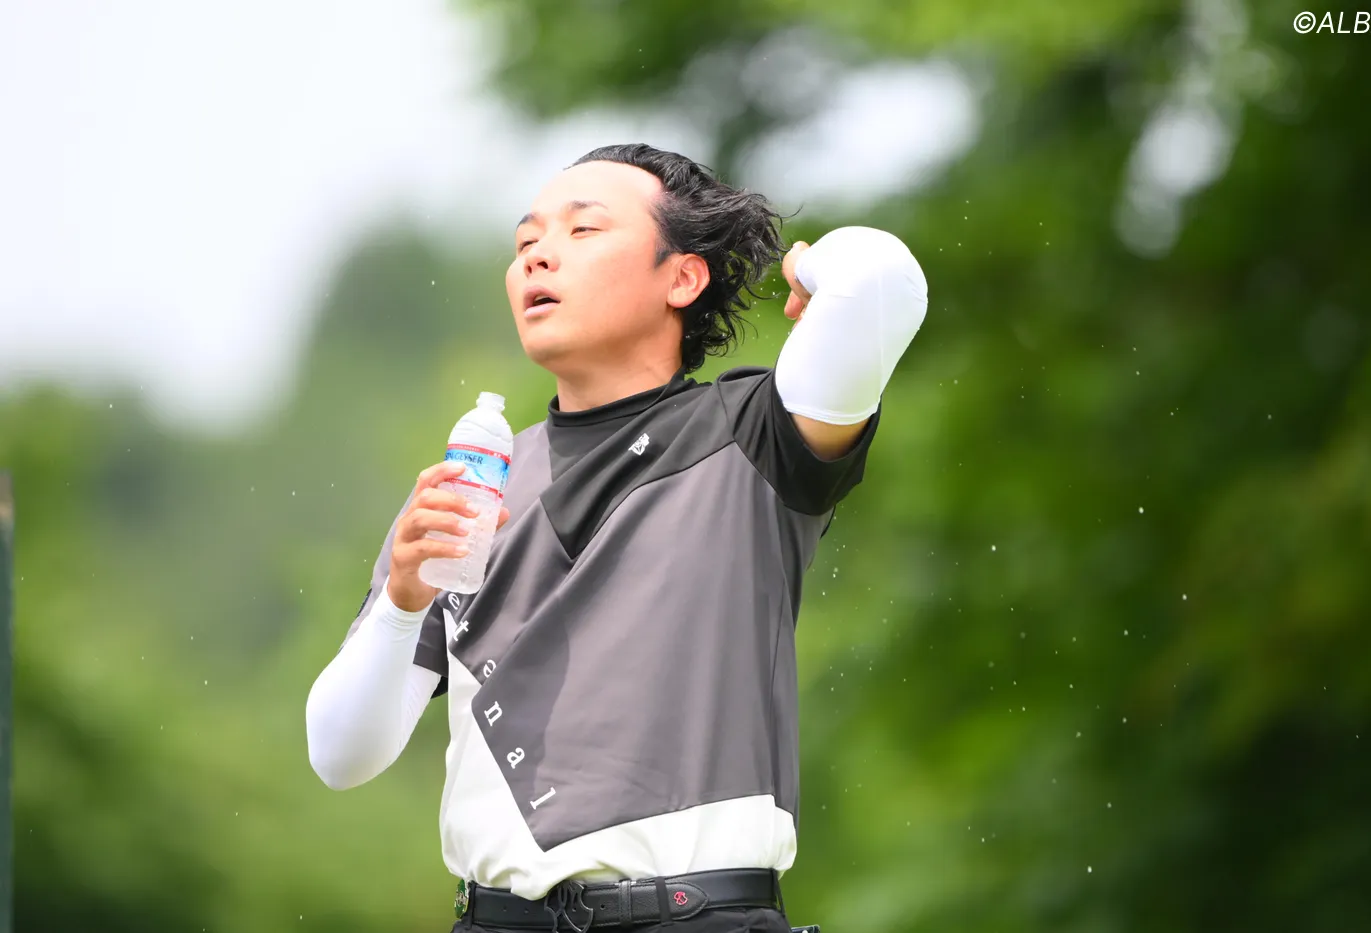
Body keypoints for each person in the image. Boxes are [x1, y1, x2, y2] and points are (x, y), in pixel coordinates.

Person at [305, 143, 927, 933]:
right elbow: (340, 754)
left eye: (583, 230)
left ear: (683, 277)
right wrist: (401, 600)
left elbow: (882, 282)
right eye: (526, 241)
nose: (537, 256)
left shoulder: (752, 435)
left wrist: (804, 267)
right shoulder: (473, 485)